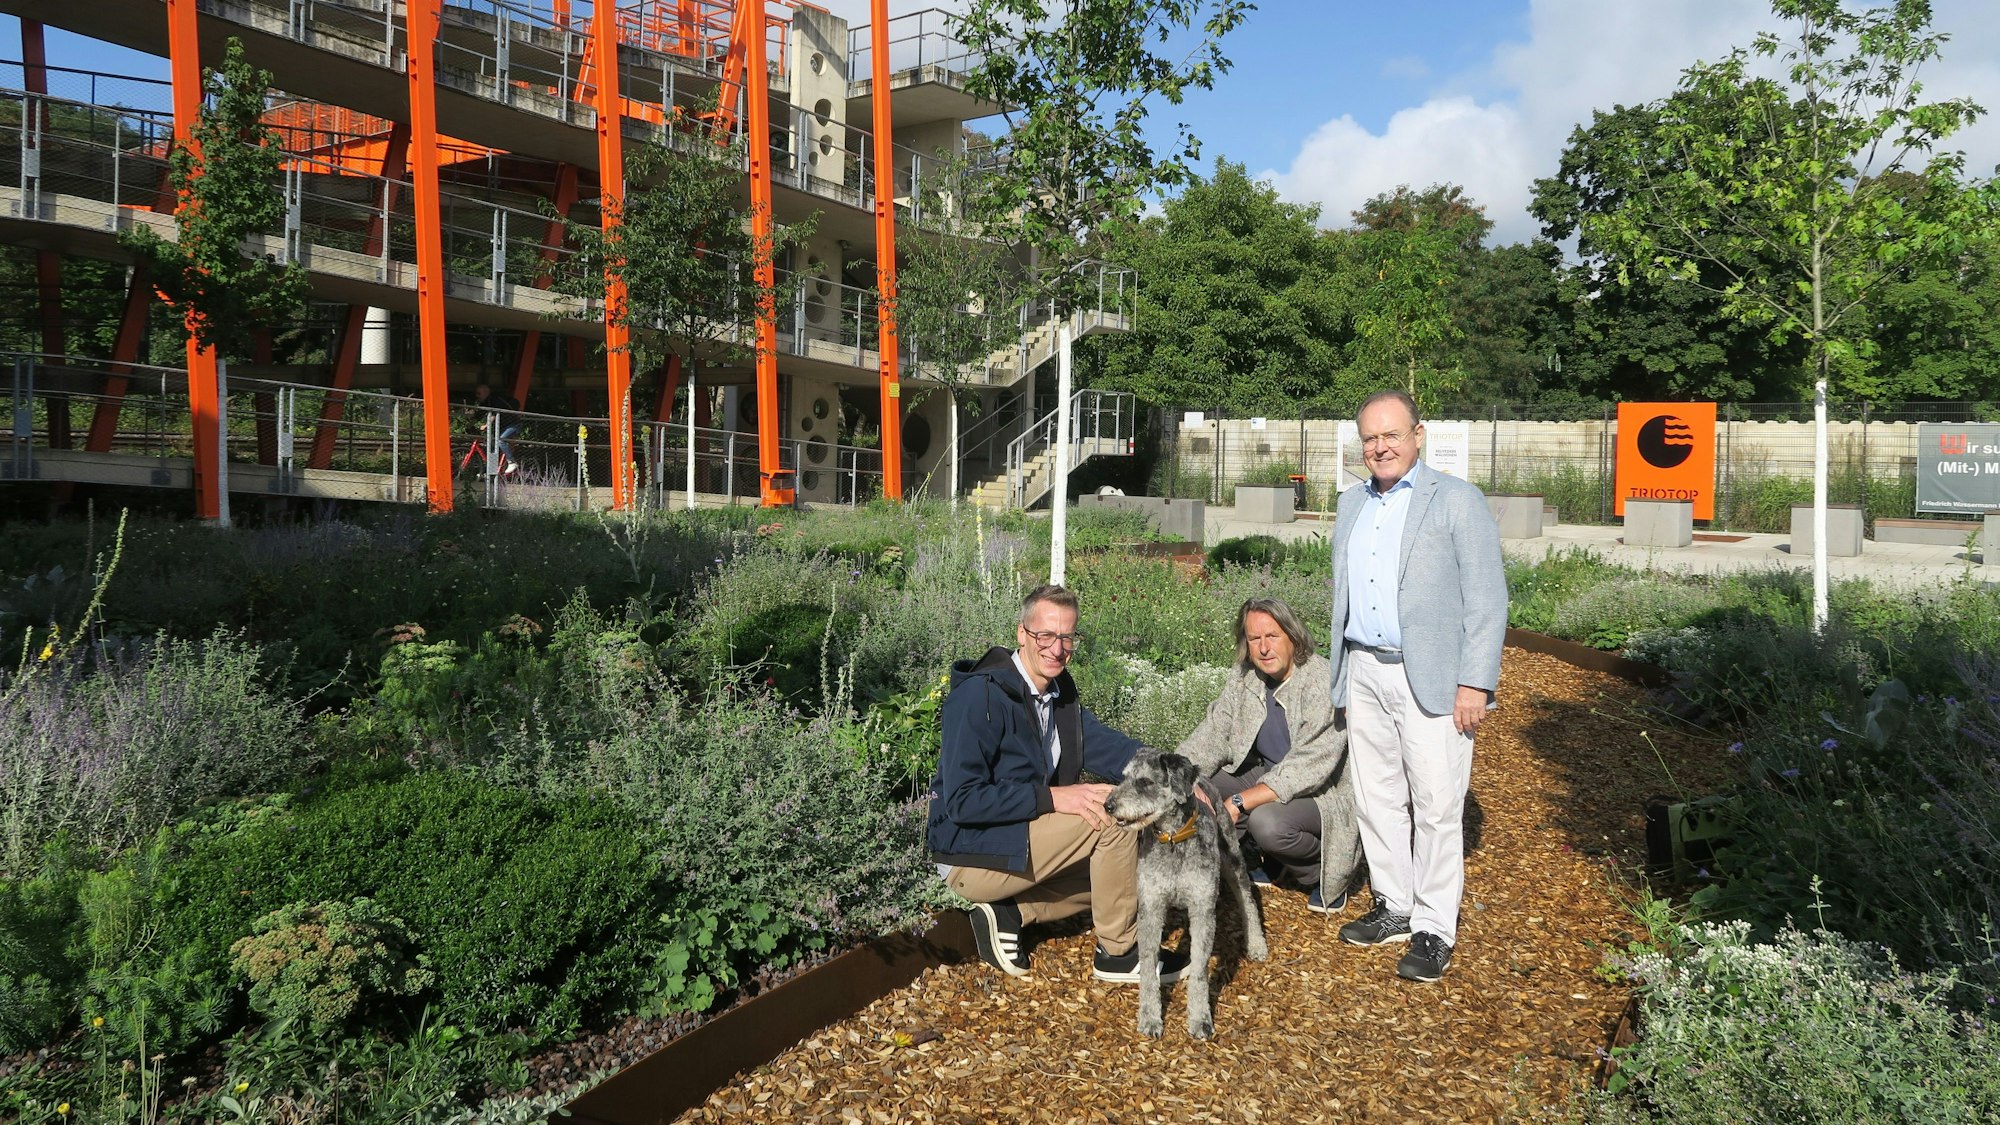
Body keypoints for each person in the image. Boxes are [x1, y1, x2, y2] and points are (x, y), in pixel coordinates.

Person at [1329, 389, 1506, 983]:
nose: (1380, 447)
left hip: (1428, 675)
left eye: (1392, 435)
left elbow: (1487, 599)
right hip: (1364, 669)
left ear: (1418, 435)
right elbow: (1343, 597)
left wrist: (1475, 683)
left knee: (1436, 805)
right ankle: (1395, 905)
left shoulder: (1456, 500)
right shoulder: (1351, 503)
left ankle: (1434, 928)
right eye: (1370, 437)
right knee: (1376, 796)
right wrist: (1342, 678)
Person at [929, 584, 1191, 984]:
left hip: (1016, 837)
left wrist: (1173, 772)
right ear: (1022, 633)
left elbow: (1106, 746)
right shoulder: (979, 697)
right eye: (1046, 635)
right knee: (1113, 818)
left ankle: (1012, 913)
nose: (1057, 648)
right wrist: (1052, 797)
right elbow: (963, 801)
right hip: (971, 853)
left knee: (1130, 868)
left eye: (1067, 637)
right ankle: (1119, 954)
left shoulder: (1057, 692)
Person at [1175, 597, 1362, 914]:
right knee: (1200, 786)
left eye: (1272, 636)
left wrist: (1239, 802)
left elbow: (1307, 768)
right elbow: (1215, 732)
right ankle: (1259, 857)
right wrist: (1177, 774)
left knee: (1267, 822)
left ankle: (1322, 870)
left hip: (1324, 790)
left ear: (1293, 636)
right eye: (1254, 638)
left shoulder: (1320, 681)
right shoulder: (1245, 676)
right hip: (1271, 774)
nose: (1263, 648)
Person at [473, 383, 521, 475]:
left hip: (513, 425)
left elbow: (495, 414)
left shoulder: (494, 400)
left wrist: (486, 425)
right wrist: (470, 423)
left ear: (486, 392)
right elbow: (478, 415)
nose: (477, 396)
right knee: (492, 445)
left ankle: (512, 462)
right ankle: (492, 470)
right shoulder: (486, 402)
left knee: (500, 440)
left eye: (479, 393)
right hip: (504, 426)